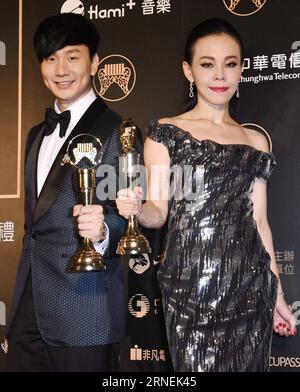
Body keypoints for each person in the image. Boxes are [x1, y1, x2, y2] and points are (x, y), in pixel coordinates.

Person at [116, 18, 296, 372]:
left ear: (241, 70)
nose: (220, 76)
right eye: (207, 64)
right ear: (188, 70)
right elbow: (158, 213)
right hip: (190, 290)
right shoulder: (167, 133)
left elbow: (260, 222)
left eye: (230, 64)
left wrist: (277, 293)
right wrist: (136, 209)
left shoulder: (254, 142)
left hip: (250, 288)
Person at [4, 13, 136, 372]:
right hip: (27, 313)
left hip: (84, 311)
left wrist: (105, 231)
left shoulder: (116, 131)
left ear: (94, 63)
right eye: (50, 58)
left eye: (72, 56)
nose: (61, 69)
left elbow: (132, 216)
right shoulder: (36, 135)